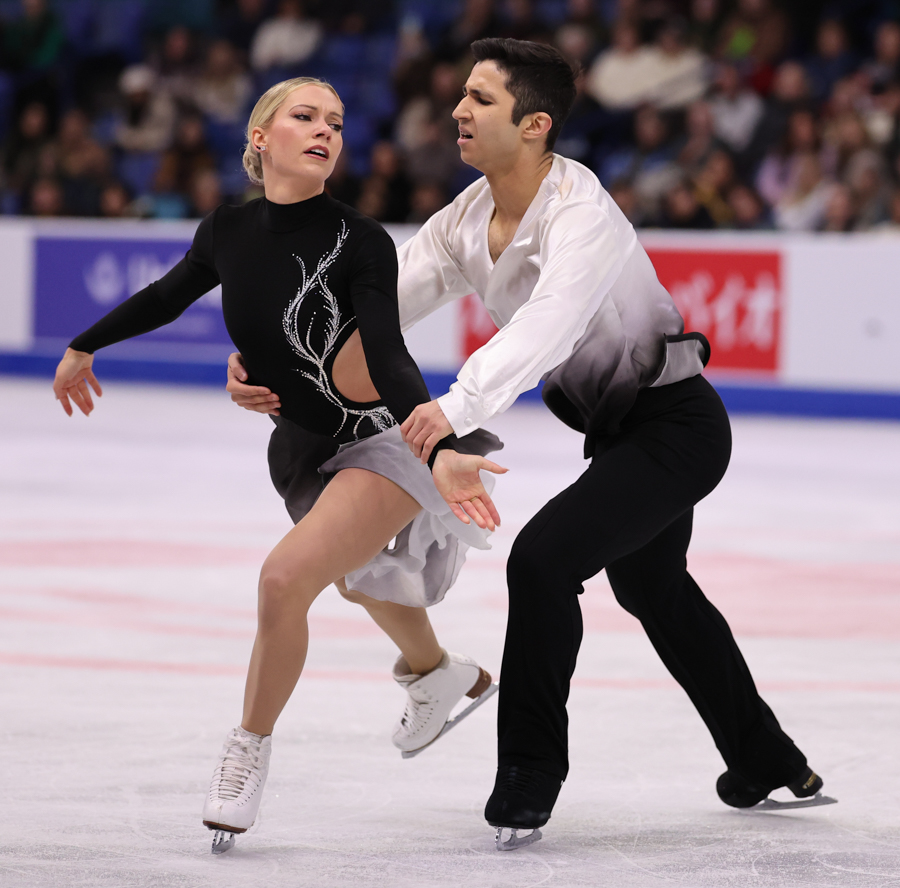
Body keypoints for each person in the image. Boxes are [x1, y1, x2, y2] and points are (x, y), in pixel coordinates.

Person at [228, 39, 829, 847]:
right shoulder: (465, 220)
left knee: (544, 560)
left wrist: (452, 409)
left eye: (479, 99)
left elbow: (551, 326)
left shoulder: (584, 214)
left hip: (680, 426)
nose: (458, 111)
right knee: (656, 590)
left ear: (535, 124)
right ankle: (764, 758)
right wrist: (275, 353)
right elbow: (376, 306)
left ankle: (529, 777)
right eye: (462, 96)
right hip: (620, 438)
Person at [52, 77, 507, 852]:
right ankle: (438, 672)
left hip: (381, 440)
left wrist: (441, 444)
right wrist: (84, 343)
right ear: (261, 137)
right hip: (298, 446)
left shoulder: (360, 240)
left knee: (283, 578)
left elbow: (388, 355)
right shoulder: (227, 229)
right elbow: (168, 298)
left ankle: (245, 754)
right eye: (304, 117)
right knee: (355, 576)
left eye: (335, 121)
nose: (325, 130)